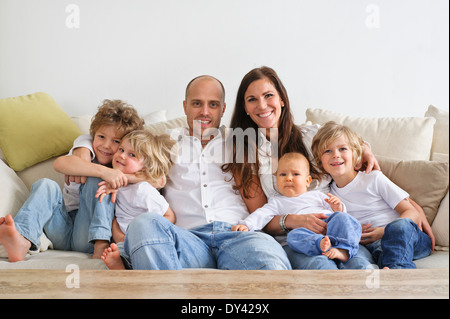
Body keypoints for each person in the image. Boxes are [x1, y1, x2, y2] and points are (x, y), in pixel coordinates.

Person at [115, 75, 292, 270]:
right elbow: (116, 149)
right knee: (144, 223)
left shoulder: (239, 142)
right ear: (185, 107)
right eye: (197, 103)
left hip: (237, 235)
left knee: (268, 258)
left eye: (213, 105)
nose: (205, 112)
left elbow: (258, 206)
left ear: (223, 109)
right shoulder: (165, 143)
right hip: (187, 240)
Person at [223, 66, 379, 270]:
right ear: (245, 107)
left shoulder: (311, 135)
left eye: (268, 95)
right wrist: (292, 220)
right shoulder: (245, 153)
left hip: (334, 230)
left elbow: (348, 143)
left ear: (282, 100)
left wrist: (365, 150)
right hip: (294, 239)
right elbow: (262, 216)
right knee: (321, 268)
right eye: (252, 99)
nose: (262, 105)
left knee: (361, 267)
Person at [0, 99, 145, 261]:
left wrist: (115, 176)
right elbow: (60, 164)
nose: (105, 145)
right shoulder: (85, 148)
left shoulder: (125, 164)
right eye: (101, 137)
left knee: (96, 181)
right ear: (93, 136)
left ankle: (101, 243)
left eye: (116, 141)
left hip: (88, 234)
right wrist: (104, 171)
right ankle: (22, 239)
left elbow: (155, 178)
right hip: (61, 227)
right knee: (46, 185)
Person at [311, 121, 433, 269]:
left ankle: (398, 270)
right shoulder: (329, 196)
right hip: (374, 248)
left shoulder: (373, 179)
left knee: (399, 227)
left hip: (406, 238)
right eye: (327, 151)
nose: (336, 155)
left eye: (342, 149)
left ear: (356, 155)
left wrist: (384, 231)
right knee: (354, 255)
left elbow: (412, 212)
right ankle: (386, 270)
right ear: (320, 161)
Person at [232, 152, 362, 262]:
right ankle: (320, 244)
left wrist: (337, 207)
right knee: (293, 236)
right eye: (282, 174)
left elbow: (342, 216)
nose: (288, 178)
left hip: (330, 225)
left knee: (345, 219)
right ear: (276, 180)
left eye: (295, 174)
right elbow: (261, 214)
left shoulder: (317, 195)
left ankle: (344, 250)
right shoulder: (276, 202)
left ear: (307, 181)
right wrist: (246, 225)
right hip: (308, 233)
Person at [95, 130, 177, 269]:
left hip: (143, 238)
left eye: (132, 154)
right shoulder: (117, 182)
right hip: (122, 240)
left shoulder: (142, 190)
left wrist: (149, 234)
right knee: (118, 251)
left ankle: (122, 265)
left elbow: (169, 215)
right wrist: (120, 236)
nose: (121, 155)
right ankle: (121, 264)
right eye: (121, 149)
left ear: (145, 166)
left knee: (137, 251)